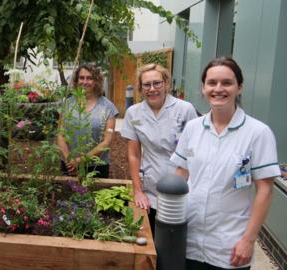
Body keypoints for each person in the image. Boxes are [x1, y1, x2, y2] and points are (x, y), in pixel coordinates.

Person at [171, 57, 280, 269]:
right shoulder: (192, 128)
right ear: (203, 88)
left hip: (229, 246)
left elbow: (265, 190)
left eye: (226, 83)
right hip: (189, 239)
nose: (218, 89)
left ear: (239, 87)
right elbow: (181, 174)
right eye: (212, 83)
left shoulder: (258, 133)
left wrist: (248, 240)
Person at [120, 63, 198, 235]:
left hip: (182, 189)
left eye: (157, 83)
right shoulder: (134, 113)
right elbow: (133, 155)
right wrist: (138, 191)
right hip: (150, 187)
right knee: (152, 239)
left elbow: (193, 152)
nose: (152, 89)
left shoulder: (185, 110)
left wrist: (182, 184)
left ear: (166, 83)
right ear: (140, 88)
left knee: (177, 243)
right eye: (146, 84)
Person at [56, 63, 118, 178]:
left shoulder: (108, 107)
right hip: (69, 165)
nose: (85, 82)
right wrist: (69, 160)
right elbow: (60, 134)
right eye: (81, 78)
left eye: (89, 78)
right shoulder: (68, 104)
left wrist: (81, 161)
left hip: (96, 167)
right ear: (76, 80)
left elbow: (106, 141)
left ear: (96, 81)